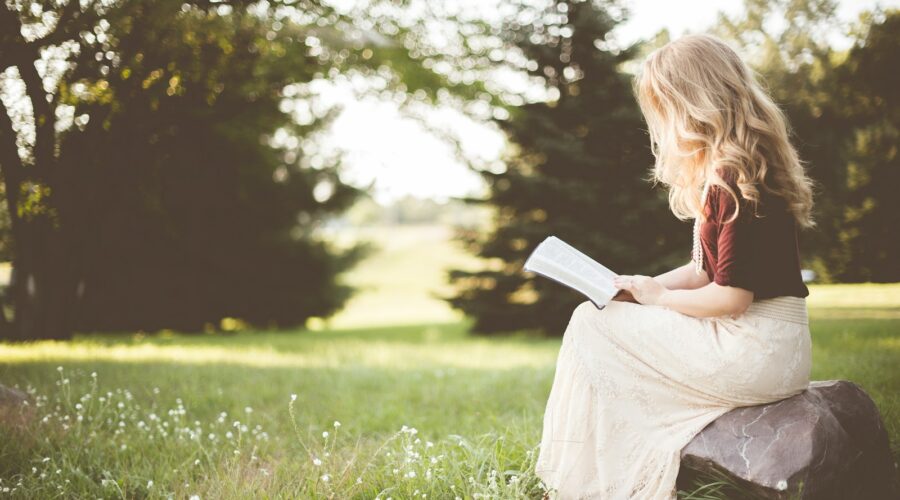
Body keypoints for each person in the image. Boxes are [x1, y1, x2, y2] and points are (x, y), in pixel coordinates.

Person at [534, 33, 816, 499]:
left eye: (664, 107)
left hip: (754, 348)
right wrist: (637, 287)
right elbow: (704, 272)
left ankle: (581, 483)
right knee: (604, 316)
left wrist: (661, 300)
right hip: (773, 346)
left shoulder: (732, 175)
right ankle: (588, 477)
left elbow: (731, 297)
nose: (661, 123)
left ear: (693, 103)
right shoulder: (739, 167)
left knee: (589, 323)